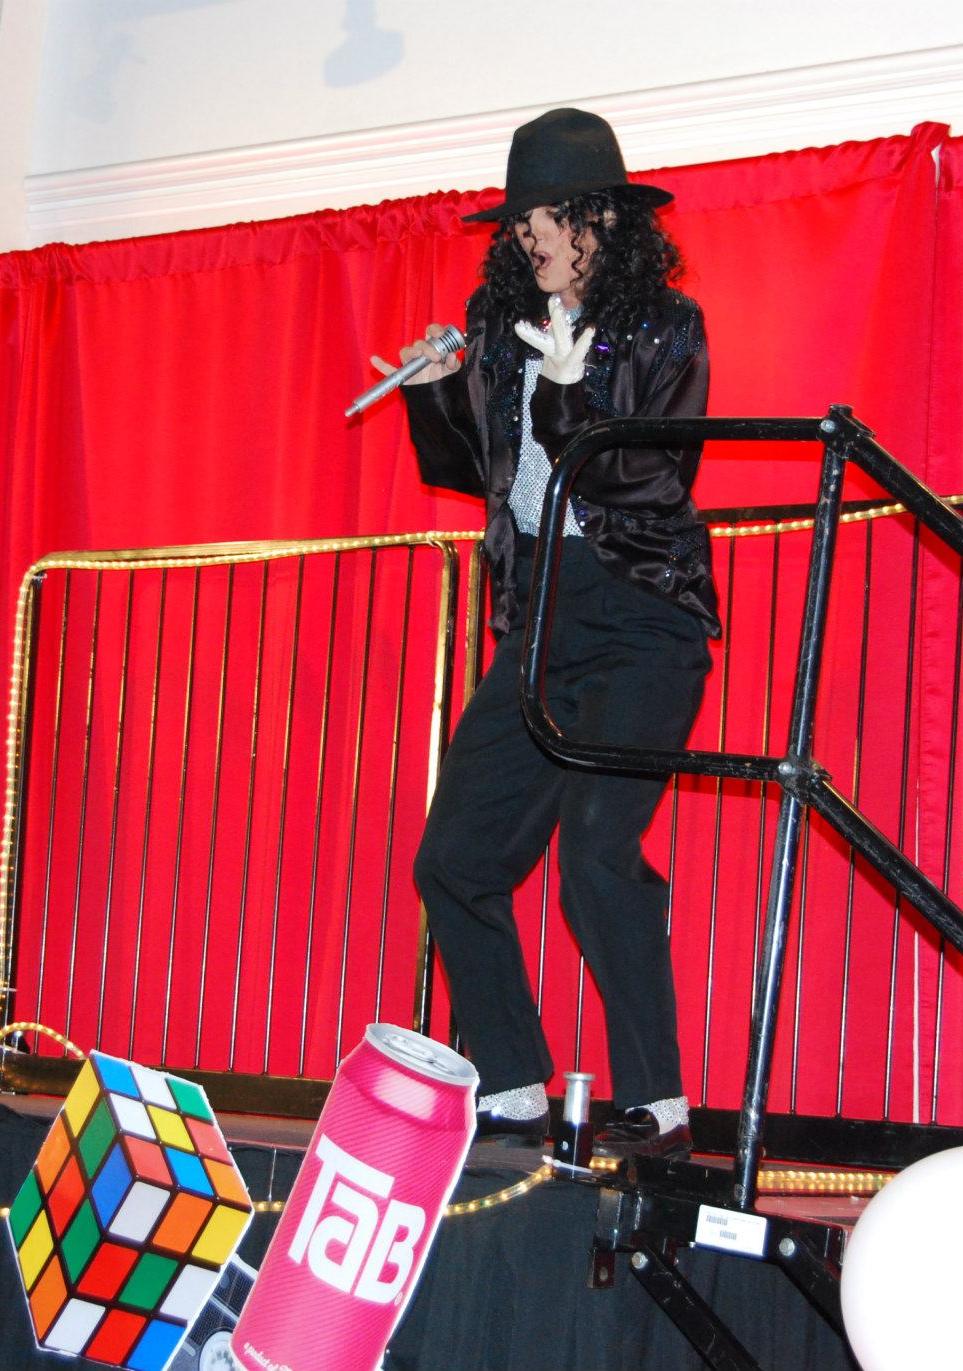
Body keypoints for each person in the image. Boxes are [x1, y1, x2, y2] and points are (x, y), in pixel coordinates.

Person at [373, 108, 716, 1159]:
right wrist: (437, 392)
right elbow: (469, 471)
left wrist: (572, 400)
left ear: (606, 219)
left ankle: (656, 1102)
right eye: (523, 223)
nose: (536, 239)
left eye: (555, 218)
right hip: (538, 620)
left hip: (640, 613)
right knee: (453, 860)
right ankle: (515, 1083)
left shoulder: (665, 327)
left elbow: (651, 479)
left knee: (597, 853)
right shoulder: (500, 330)